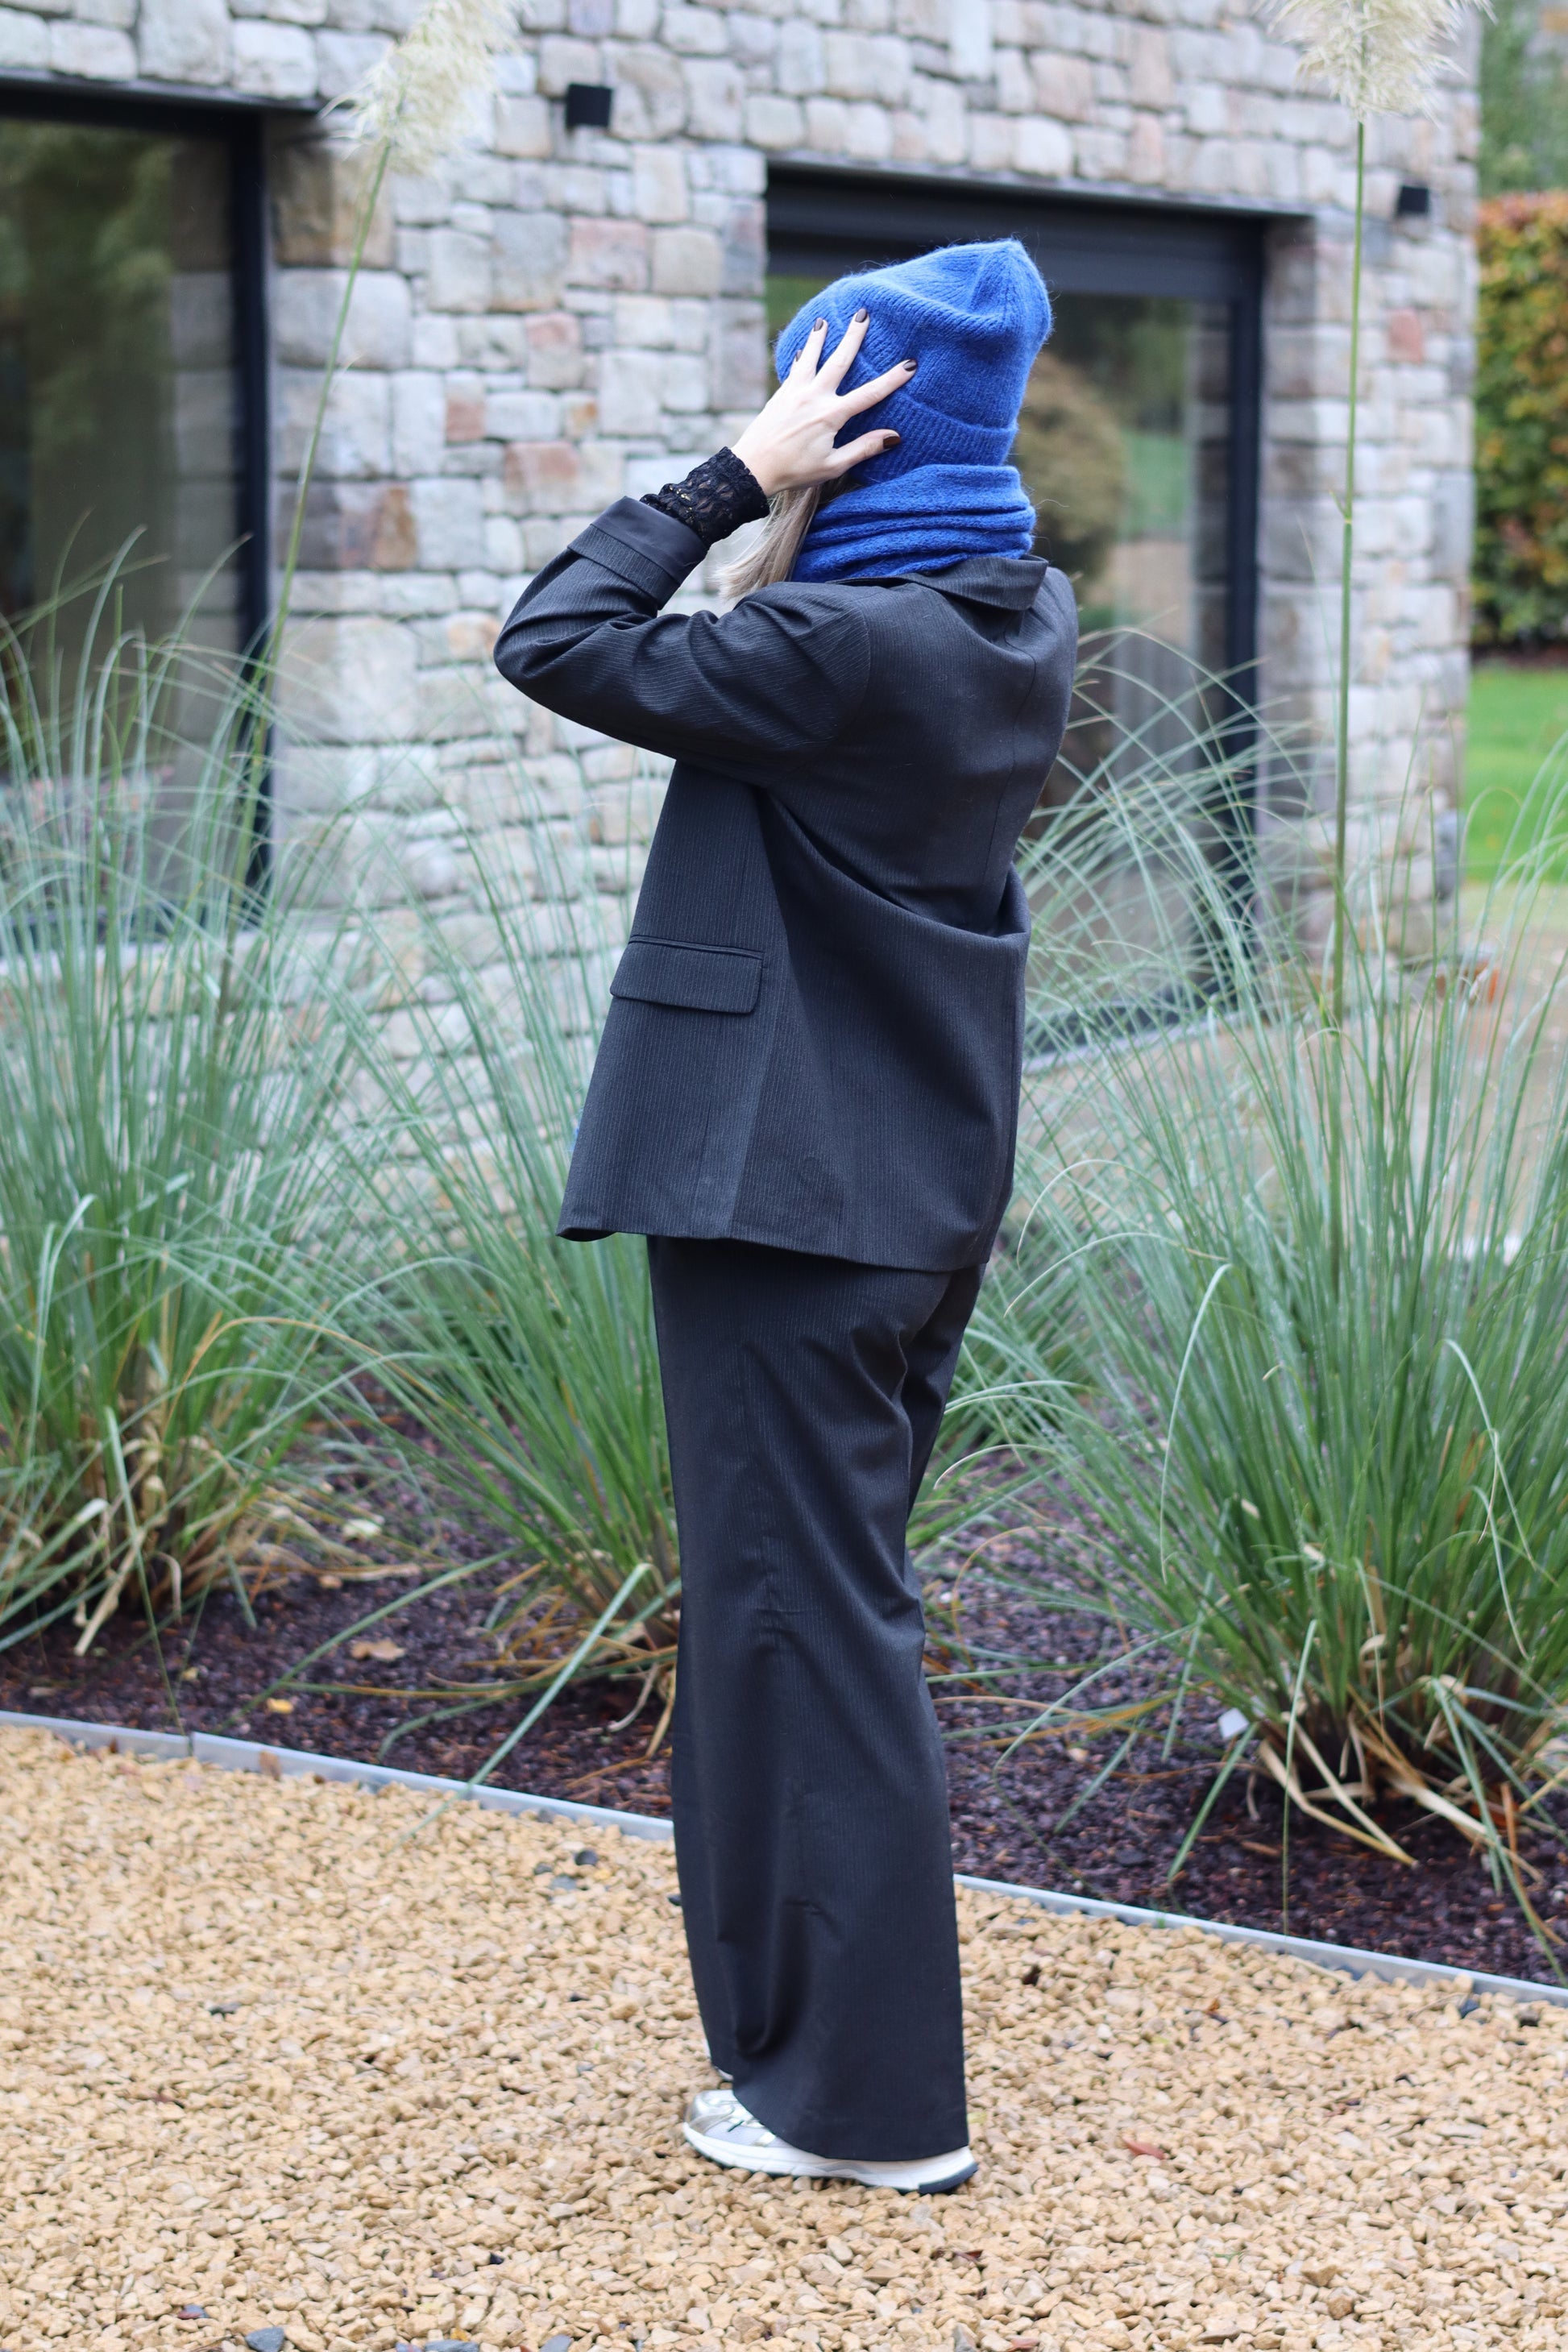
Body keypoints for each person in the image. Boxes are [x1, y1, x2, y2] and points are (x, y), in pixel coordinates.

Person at [493, 239, 1077, 2194]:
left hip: (788, 1208)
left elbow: (554, 635)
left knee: (800, 1633)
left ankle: (864, 2105)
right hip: (906, 1200)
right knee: (825, 1621)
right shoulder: (1011, 614)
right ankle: (822, 2061)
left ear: (849, 426)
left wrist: (731, 481)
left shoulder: (840, 649)